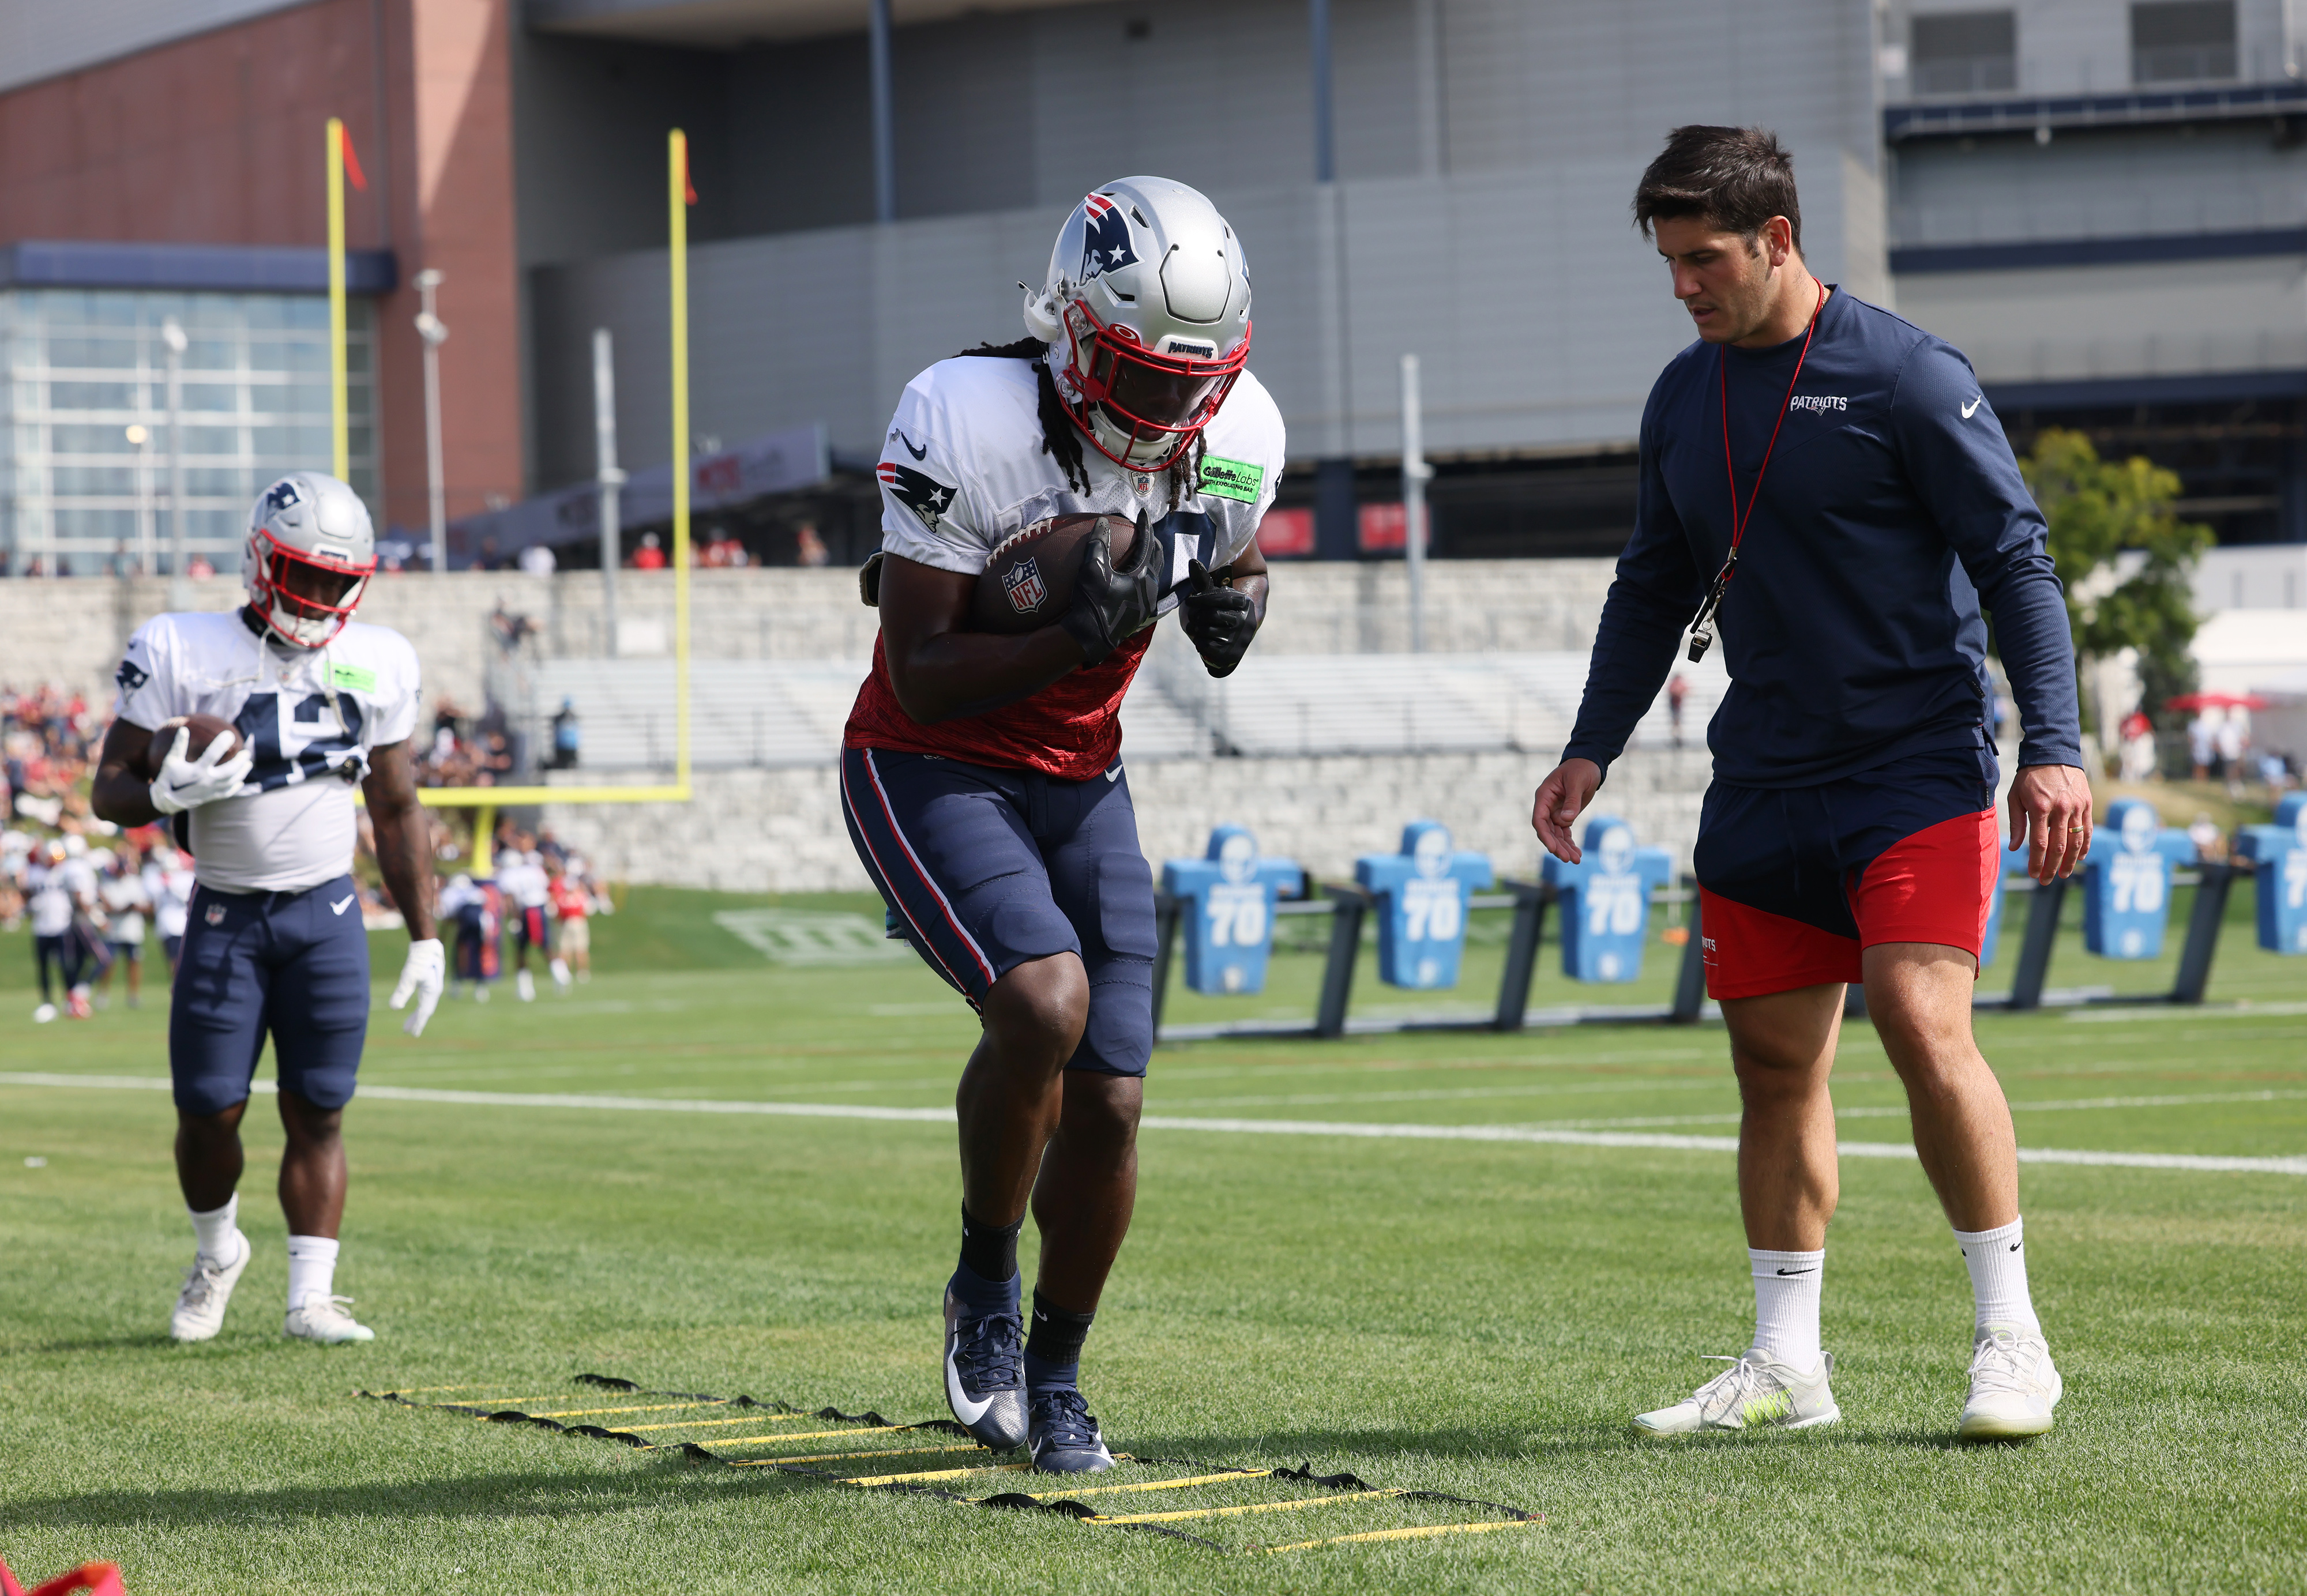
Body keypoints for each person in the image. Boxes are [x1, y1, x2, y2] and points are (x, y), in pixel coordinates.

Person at [1528, 127, 2089, 1442]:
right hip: (1764, 777)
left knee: (1913, 1012)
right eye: (1667, 263)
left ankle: (2012, 1341)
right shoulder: (1682, 396)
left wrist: (2054, 743)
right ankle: (1788, 1366)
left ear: (1776, 240)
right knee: (1772, 1066)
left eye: (1702, 259)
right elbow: (1651, 586)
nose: (1683, 286)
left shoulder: (1905, 375)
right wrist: (1589, 745)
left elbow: (2014, 561)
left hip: (1918, 761)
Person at [840, 177, 1280, 1474]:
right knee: (1041, 1002)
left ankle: (1058, 1372)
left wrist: (1238, 600)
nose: (1164, 411)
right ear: (1071, 327)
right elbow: (918, 667)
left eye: (1184, 382)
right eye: (1137, 378)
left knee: (1116, 1101)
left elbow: (1235, 555)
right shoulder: (963, 411)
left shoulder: (1236, 420)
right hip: (927, 760)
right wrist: (1054, 632)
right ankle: (981, 1281)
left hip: (1083, 773)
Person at [91, 470, 445, 1346]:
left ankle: (310, 1297)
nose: (320, 596)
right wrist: (163, 793)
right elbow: (109, 790)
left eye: (337, 580)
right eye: (303, 573)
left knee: (319, 1107)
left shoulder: (379, 658)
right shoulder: (178, 645)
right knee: (208, 1108)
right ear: (260, 560)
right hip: (226, 913)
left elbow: (396, 810)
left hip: (325, 915)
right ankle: (217, 1256)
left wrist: (427, 936)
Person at [27, 839, 90, 1022]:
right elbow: (28, 895)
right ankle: (47, 1002)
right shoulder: (35, 874)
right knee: (43, 967)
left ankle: (71, 1001)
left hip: (62, 925)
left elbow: (77, 896)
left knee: (65, 965)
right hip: (41, 927)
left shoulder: (65, 873)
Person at [96, 846, 153, 1009]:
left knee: (134, 963)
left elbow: (145, 906)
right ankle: (103, 995)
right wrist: (126, 908)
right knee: (107, 964)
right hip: (113, 931)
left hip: (132, 931)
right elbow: (107, 906)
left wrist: (135, 908)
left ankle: (133, 996)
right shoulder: (106, 883)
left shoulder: (135, 882)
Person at [546, 856, 590, 985]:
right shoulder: (575, 896)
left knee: (573, 949)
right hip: (574, 922)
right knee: (570, 950)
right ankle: (576, 973)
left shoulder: (566, 897)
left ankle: (574, 973)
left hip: (570, 922)